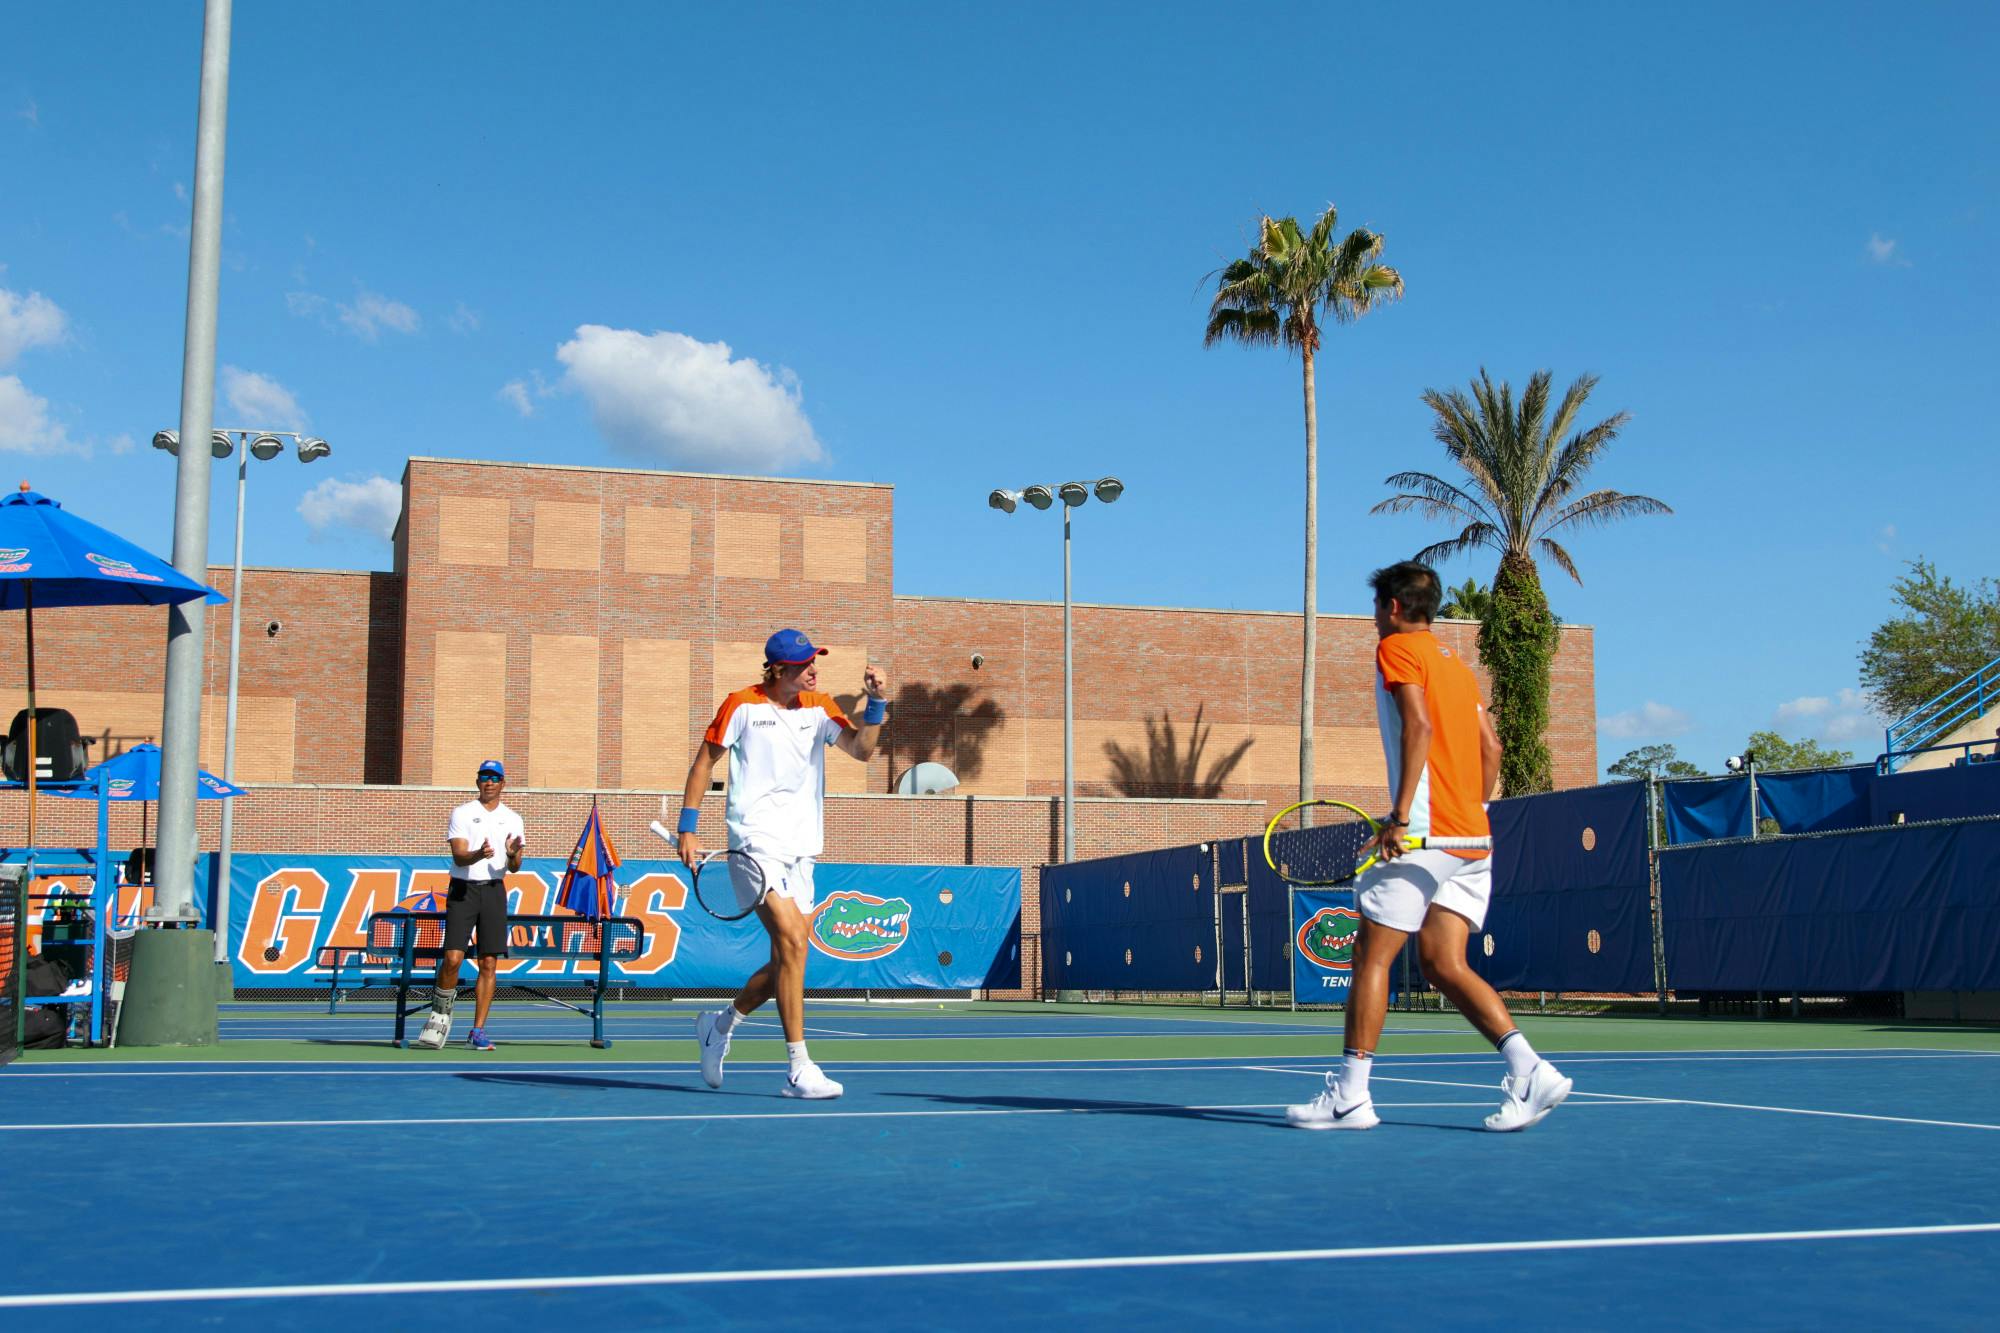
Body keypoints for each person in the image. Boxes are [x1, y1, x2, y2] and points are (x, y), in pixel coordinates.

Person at [1287, 560, 1572, 1133]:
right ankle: (1530, 1069)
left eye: (1375, 608)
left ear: (1393, 608)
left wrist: (1400, 816)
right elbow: (1491, 748)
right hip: (1472, 834)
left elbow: (1418, 728)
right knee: (1443, 962)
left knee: (1371, 956)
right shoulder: (1457, 668)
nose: (1374, 618)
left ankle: (1351, 1098)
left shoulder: (1399, 649)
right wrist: (1469, 810)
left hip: (1423, 834)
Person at [676, 629, 888, 1099]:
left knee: (788, 958)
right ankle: (799, 1068)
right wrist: (688, 827)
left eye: (815, 660)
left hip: (802, 848)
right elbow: (702, 764)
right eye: (804, 663)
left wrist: (877, 703)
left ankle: (719, 1025)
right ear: (777, 669)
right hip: (754, 843)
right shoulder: (741, 705)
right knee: (793, 941)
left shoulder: (820, 705)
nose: (814, 668)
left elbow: (861, 750)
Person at [416, 759, 524, 1052]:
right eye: (484, 777)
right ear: (478, 782)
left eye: (494, 777)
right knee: (452, 958)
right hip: (463, 889)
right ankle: (440, 1017)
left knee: (488, 962)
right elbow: (460, 857)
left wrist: (512, 854)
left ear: (503, 783)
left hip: (493, 891)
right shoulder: (463, 813)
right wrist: (479, 854)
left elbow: (514, 866)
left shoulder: (513, 818)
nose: (489, 782)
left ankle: (478, 1030)